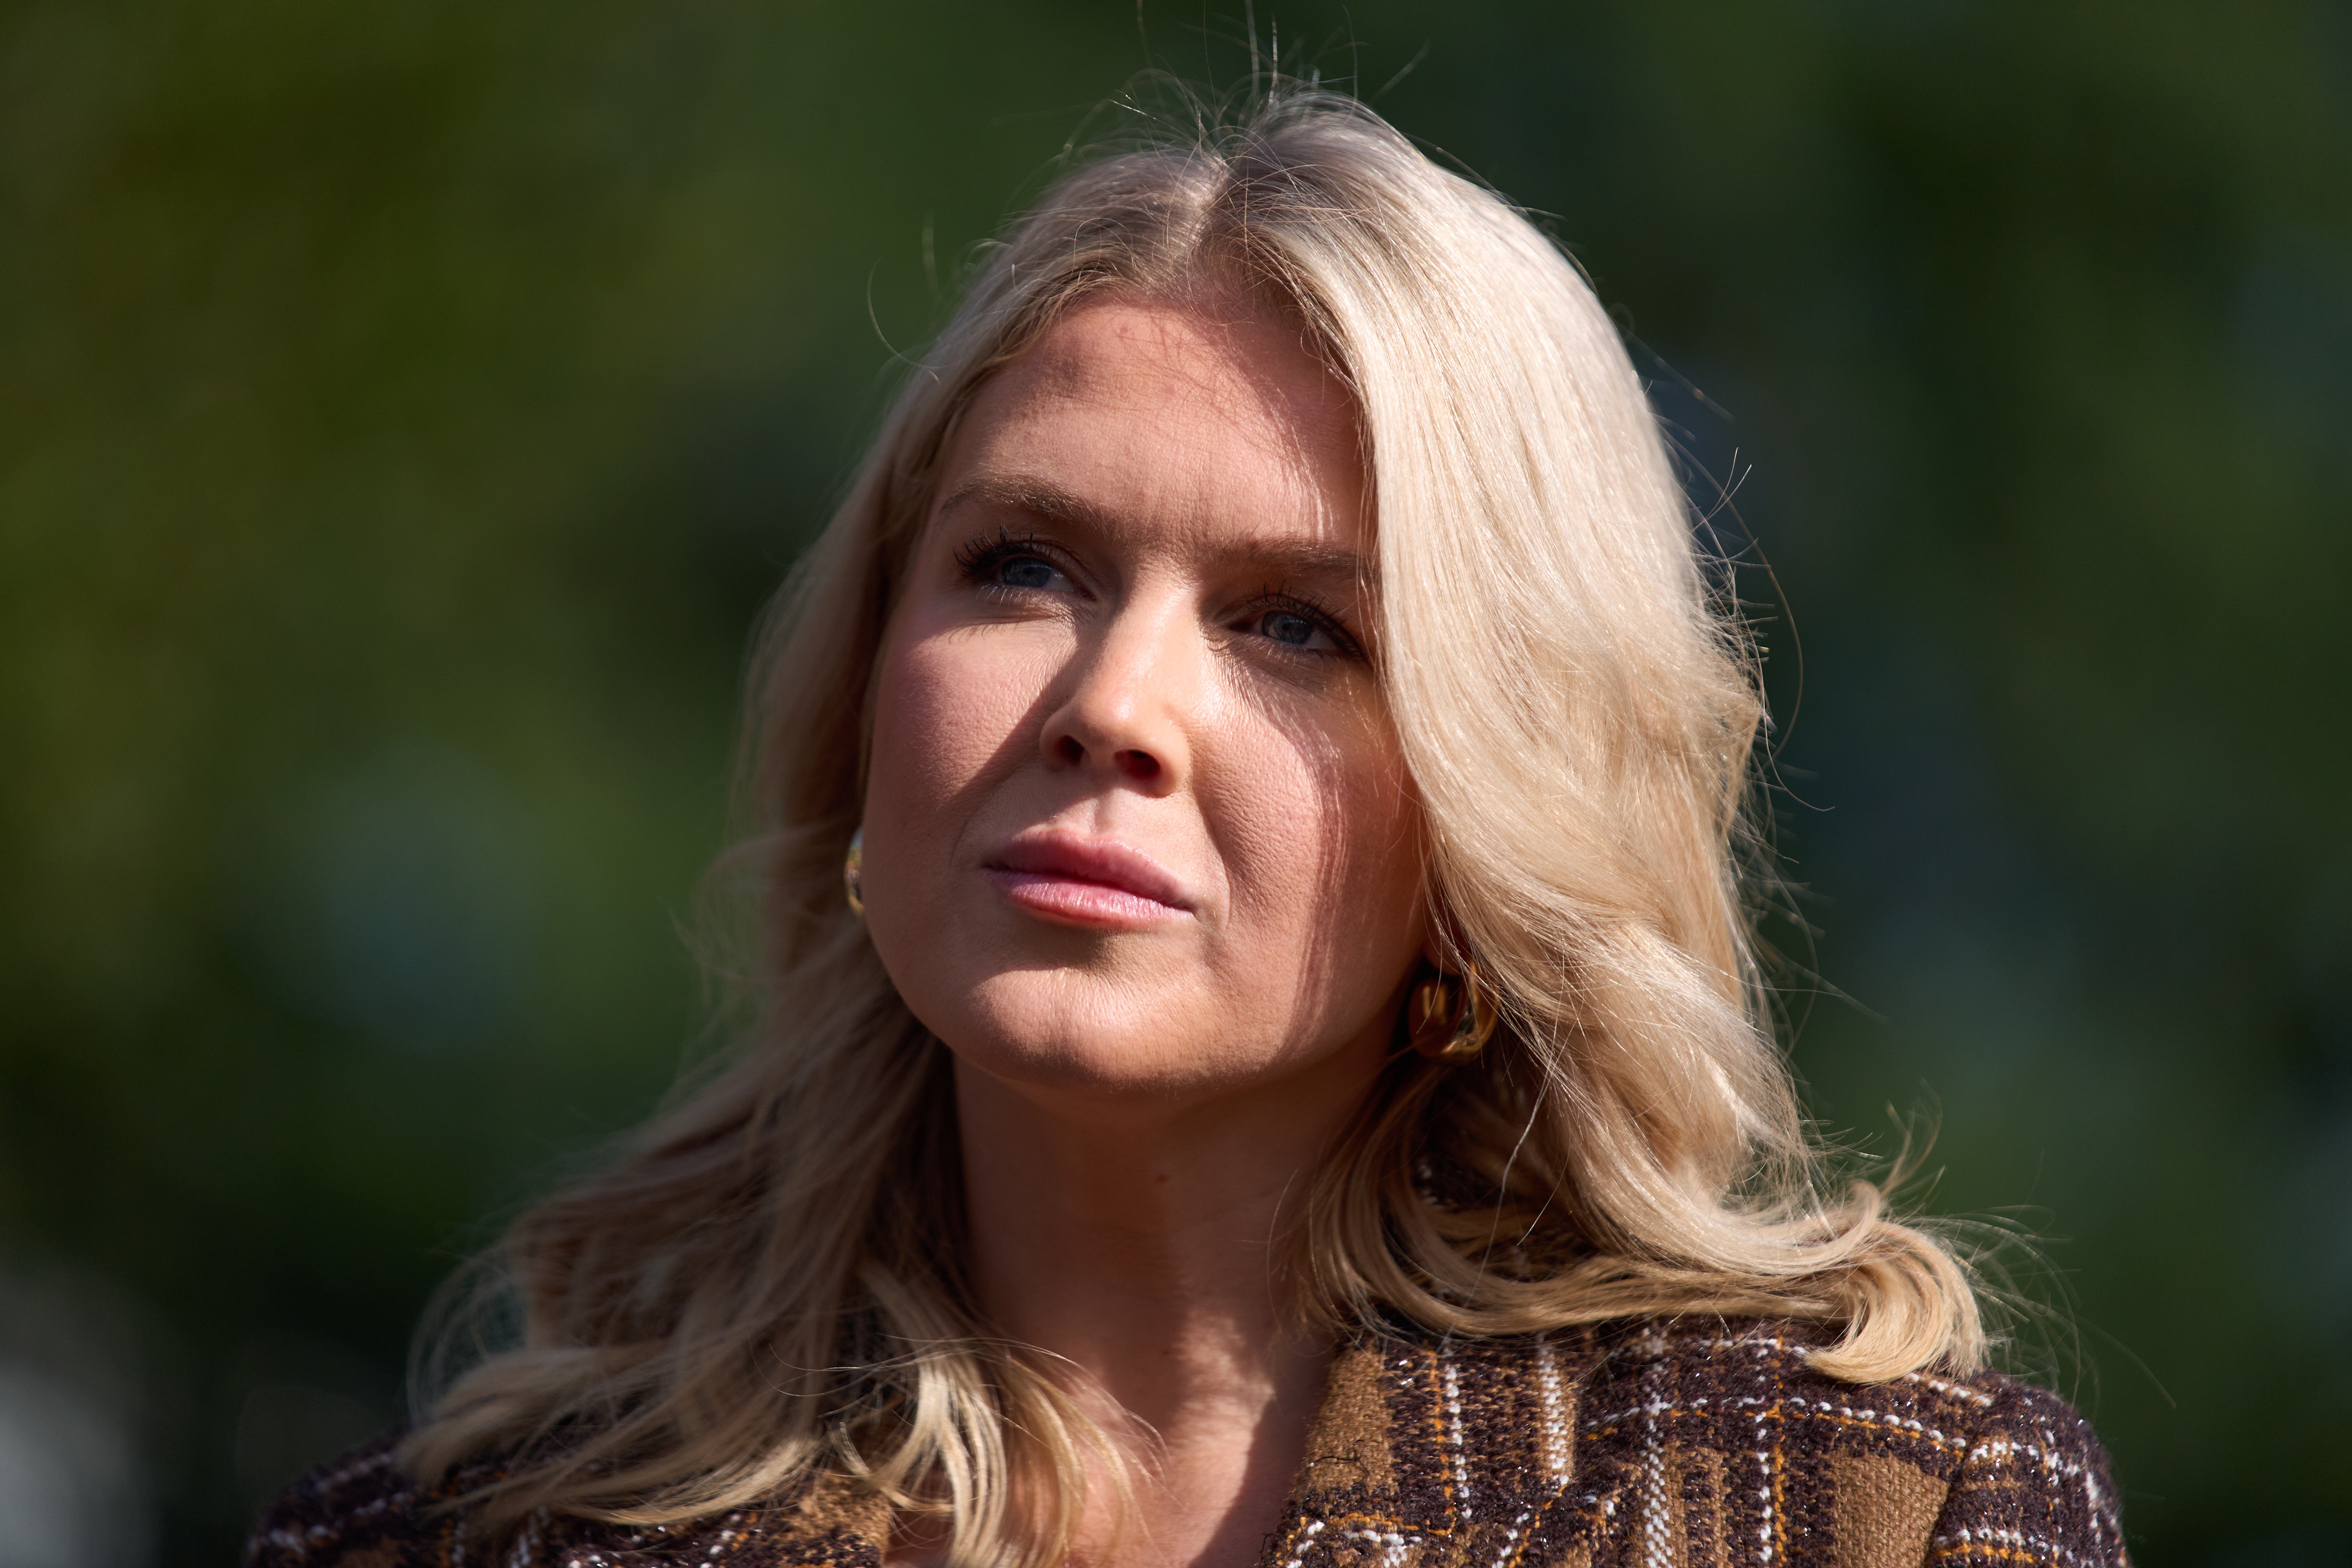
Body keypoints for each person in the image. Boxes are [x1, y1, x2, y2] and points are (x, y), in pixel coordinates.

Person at [249, 86, 2126, 1568]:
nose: (1113, 706)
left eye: (1300, 625)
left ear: (1498, 810)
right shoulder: (444, 1545)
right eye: (1022, 565)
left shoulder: (1859, 1520)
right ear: (860, 707)